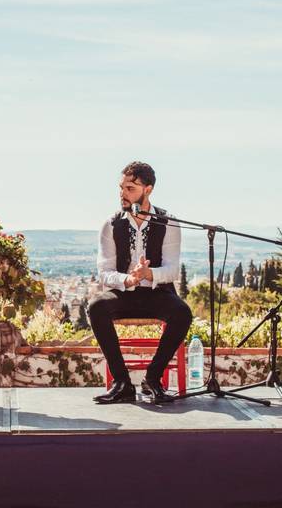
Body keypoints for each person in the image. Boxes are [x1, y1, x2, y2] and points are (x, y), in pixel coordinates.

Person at [89, 161, 192, 404]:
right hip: (124, 294)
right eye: (121, 187)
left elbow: (172, 270)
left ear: (148, 189)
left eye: (130, 188)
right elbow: (104, 272)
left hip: (156, 293)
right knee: (96, 308)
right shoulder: (111, 225)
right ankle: (122, 382)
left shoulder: (168, 222)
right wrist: (129, 278)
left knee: (182, 313)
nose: (123, 193)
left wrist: (149, 275)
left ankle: (152, 379)